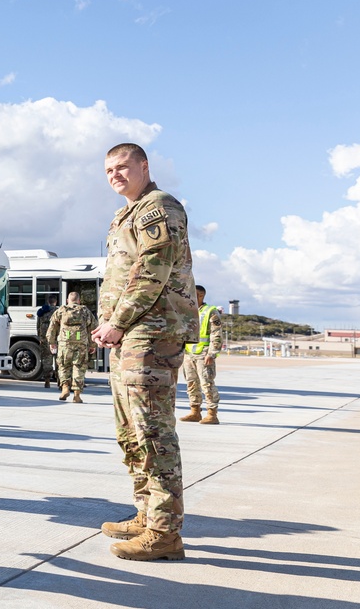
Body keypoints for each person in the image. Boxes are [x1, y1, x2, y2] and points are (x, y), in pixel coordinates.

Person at [91, 142, 198, 562]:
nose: (115, 174)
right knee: (130, 432)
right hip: (129, 337)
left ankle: (165, 532)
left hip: (151, 334)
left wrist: (117, 322)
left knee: (153, 433)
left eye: (122, 166)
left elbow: (154, 269)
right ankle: (146, 512)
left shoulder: (159, 207)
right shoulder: (126, 213)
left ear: (144, 166)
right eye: (108, 170)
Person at [179, 285, 223, 425]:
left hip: (204, 354)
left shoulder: (211, 311)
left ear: (200, 295)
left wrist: (212, 353)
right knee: (191, 384)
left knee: (207, 383)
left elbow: (216, 334)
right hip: (189, 353)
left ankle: (212, 414)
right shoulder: (187, 311)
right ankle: (195, 411)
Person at [47, 290, 98, 403]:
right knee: (79, 368)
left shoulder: (61, 310)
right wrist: (93, 344)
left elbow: (52, 328)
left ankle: (65, 388)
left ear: (67, 300)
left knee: (64, 366)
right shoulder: (85, 311)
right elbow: (93, 328)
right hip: (81, 344)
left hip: (65, 344)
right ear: (79, 300)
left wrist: (52, 342)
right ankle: (77, 395)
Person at [36, 294, 59, 388]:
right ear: (56, 302)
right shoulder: (59, 311)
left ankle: (47, 380)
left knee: (46, 360)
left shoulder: (42, 312)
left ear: (48, 302)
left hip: (45, 339)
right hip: (57, 339)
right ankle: (59, 381)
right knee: (59, 360)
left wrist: (40, 338)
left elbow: (38, 326)